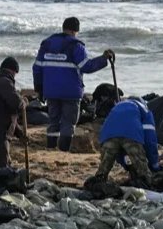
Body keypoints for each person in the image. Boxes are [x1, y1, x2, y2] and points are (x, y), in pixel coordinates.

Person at [33, 16, 113, 151]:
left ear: (64, 28)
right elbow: (87, 66)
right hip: (71, 92)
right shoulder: (76, 46)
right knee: (68, 123)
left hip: (51, 91)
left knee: (53, 122)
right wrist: (104, 59)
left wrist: (39, 88)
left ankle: (51, 149)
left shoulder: (47, 44)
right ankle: (64, 150)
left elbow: (37, 68)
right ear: (75, 31)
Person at [92, 98, 161, 186]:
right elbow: (150, 139)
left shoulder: (117, 107)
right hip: (131, 134)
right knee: (143, 170)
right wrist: (154, 162)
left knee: (105, 164)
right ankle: (148, 183)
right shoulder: (145, 109)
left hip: (108, 135)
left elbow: (119, 152)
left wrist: (126, 165)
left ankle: (98, 183)